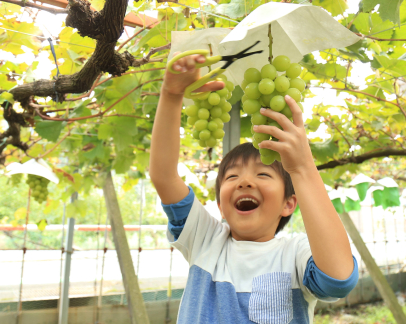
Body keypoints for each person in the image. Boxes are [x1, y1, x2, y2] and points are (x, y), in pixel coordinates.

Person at [149, 52, 358, 323]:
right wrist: (171, 95)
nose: (245, 182)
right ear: (220, 205)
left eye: (263, 174)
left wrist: (303, 168)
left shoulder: (295, 254)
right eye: (232, 177)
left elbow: (338, 279)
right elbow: (163, 176)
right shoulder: (205, 240)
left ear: (288, 203)